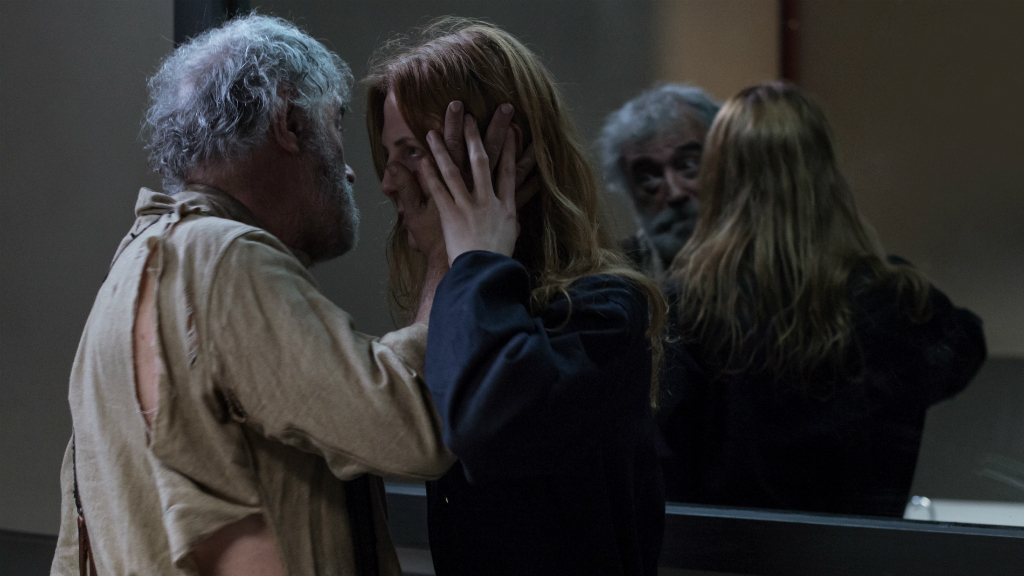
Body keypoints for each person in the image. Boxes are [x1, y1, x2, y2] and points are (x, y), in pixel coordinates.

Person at [51, 15, 458, 576]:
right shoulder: (225, 259)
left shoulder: (131, 269)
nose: (351, 171)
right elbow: (418, 429)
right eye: (335, 123)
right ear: (288, 120)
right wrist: (450, 256)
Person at [365, 18, 668, 576]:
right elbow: (412, 429)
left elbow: (483, 425)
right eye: (388, 155)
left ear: (496, 154)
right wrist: (455, 260)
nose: (387, 181)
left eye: (411, 152)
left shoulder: (605, 312)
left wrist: (473, 258)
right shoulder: (463, 297)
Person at [660, 82, 987, 517]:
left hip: (725, 552)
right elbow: (966, 346)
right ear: (825, 174)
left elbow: (667, 462)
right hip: (862, 551)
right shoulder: (894, 299)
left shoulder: (684, 307)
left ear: (720, 176)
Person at [598, 84, 720, 279]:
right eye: (648, 177)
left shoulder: (768, 257)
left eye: (688, 165)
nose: (675, 194)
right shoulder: (612, 279)